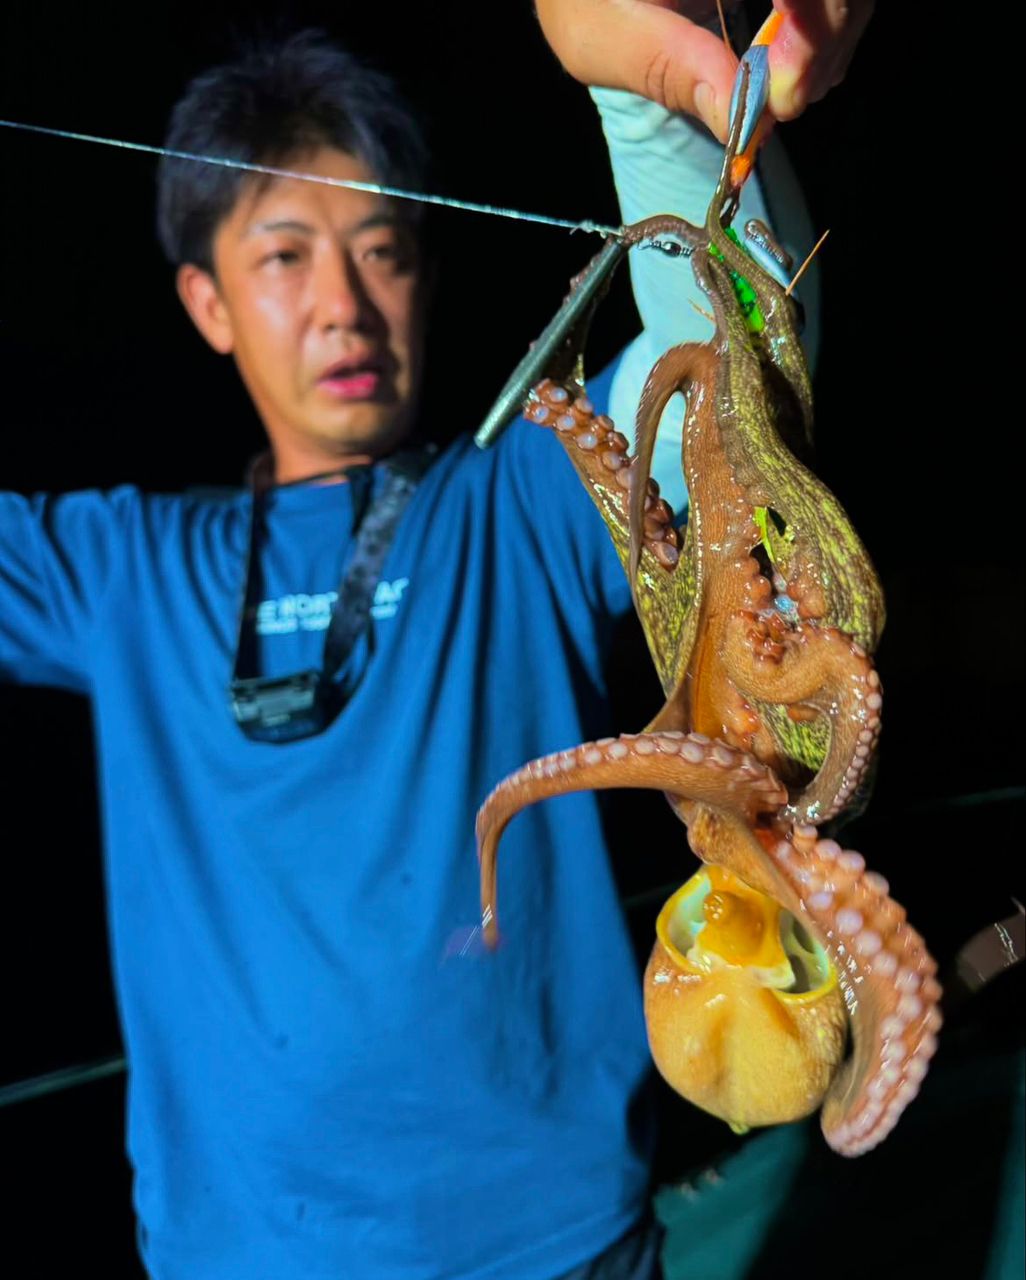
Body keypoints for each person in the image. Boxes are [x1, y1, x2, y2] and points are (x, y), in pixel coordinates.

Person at [0, 4, 870, 1277]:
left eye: (382, 248)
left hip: (559, 1243)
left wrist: (644, 98)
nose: (345, 304)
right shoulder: (119, 567)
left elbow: (725, 391)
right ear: (207, 300)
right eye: (286, 256)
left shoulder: (514, 509)